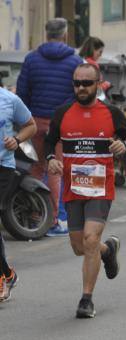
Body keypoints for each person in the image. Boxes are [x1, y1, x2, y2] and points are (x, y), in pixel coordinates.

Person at [44, 63, 126, 317]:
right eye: (77, 83)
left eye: (87, 83)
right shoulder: (63, 113)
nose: (81, 88)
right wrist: (51, 158)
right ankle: (108, 251)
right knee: (79, 246)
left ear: (98, 84)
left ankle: (86, 299)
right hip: (73, 188)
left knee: (90, 239)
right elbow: (50, 141)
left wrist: (124, 146)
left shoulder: (111, 112)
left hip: (100, 188)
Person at [16, 18, 82, 237]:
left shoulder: (31, 59)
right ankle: (53, 220)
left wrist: (25, 119)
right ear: (64, 35)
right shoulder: (75, 61)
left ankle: (35, 214)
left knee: (36, 168)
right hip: (61, 123)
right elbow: (80, 94)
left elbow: (22, 92)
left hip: (35, 121)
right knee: (56, 170)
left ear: (46, 34)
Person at [0, 86, 36, 301]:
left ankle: (3, 277)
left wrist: (17, 139)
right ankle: (7, 273)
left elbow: (30, 126)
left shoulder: (10, 99)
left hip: (2, 167)